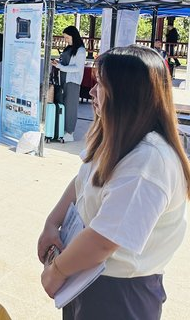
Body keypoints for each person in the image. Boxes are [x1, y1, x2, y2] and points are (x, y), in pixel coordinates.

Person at [38, 45, 190, 319]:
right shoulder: (117, 137)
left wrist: (56, 271)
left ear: (126, 94)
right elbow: (84, 180)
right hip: (85, 273)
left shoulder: (148, 160)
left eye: (100, 85)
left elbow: (104, 241)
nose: (92, 92)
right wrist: (52, 222)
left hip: (118, 293)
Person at [51, 26, 87, 143]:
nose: (65, 39)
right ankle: (63, 129)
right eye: (65, 37)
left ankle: (70, 132)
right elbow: (65, 62)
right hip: (64, 80)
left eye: (67, 37)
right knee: (64, 105)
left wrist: (60, 66)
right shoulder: (69, 48)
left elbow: (77, 68)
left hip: (72, 82)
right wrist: (58, 63)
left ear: (73, 36)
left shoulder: (80, 50)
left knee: (70, 107)